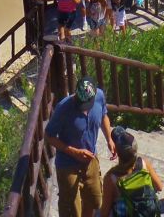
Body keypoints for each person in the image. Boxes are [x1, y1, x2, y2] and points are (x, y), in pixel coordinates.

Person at [45, 77, 116, 217]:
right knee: (72, 210)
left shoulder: (99, 96)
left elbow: (103, 116)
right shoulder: (63, 108)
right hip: (67, 165)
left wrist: (109, 139)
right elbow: (49, 136)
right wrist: (74, 152)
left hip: (90, 160)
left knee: (95, 201)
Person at [99, 126, 162, 217]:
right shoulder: (144, 164)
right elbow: (159, 187)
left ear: (116, 151)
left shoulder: (111, 178)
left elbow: (104, 213)